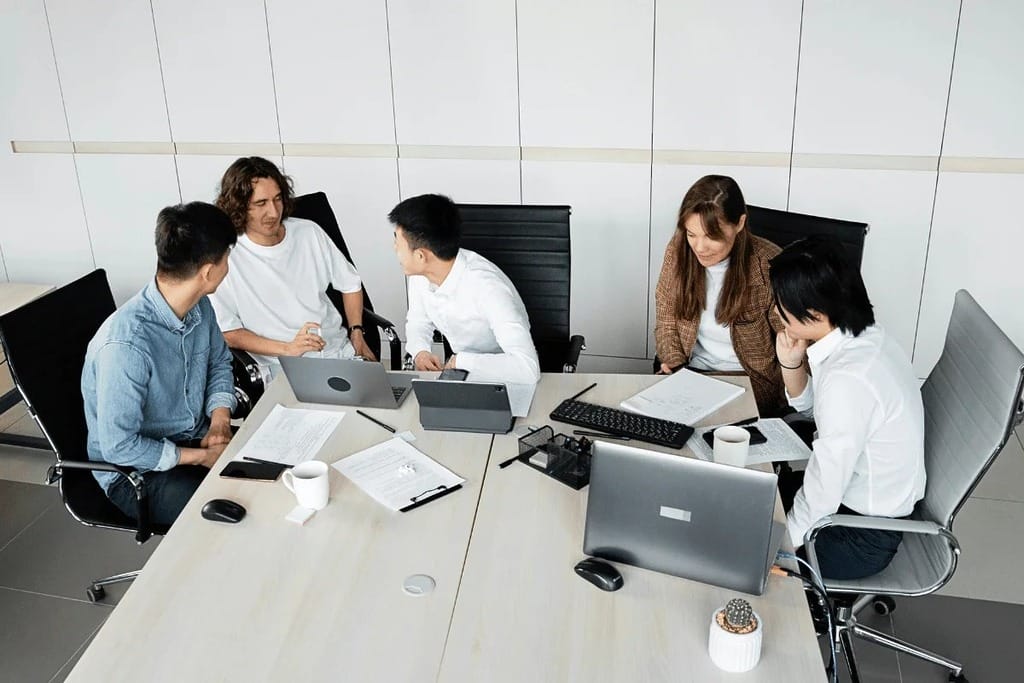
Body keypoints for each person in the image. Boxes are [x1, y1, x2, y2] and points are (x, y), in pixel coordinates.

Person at [770, 237, 926, 580]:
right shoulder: (865, 337)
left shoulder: (849, 378)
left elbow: (824, 489)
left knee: (741, 542)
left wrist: (779, 547)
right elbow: (817, 412)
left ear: (815, 313)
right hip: (851, 504)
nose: (777, 313)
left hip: (858, 535)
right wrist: (791, 364)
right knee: (748, 495)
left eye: (782, 306)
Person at [82, 202, 238, 526]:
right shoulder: (126, 345)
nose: (228, 266)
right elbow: (119, 446)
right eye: (227, 258)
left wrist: (220, 422)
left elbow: (219, 362)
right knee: (229, 514)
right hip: (135, 473)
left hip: (194, 437)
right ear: (208, 272)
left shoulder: (200, 306)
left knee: (272, 476)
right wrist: (201, 457)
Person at [210, 156, 375, 378]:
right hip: (282, 367)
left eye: (278, 199)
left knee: (384, 397)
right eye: (261, 203)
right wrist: (288, 349)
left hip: (338, 354)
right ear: (239, 207)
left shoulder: (308, 232)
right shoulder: (225, 256)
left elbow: (350, 284)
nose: (274, 212)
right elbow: (229, 332)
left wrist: (356, 331)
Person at [653, 175, 787, 416]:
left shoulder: (769, 265)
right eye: (691, 234)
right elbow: (666, 319)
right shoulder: (678, 251)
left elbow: (794, 340)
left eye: (711, 236)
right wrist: (675, 365)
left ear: (739, 223)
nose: (699, 247)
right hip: (690, 372)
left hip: (749, 383)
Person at [388, 193, 540, 385]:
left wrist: (462, 361)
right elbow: (418, 321)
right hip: (462, 376)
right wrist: (420, 351)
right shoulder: (420, 275)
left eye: (397, 242)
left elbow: (527, 369)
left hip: (505, 376)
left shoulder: (488, 287)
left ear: (420, 256)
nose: (394, 248)